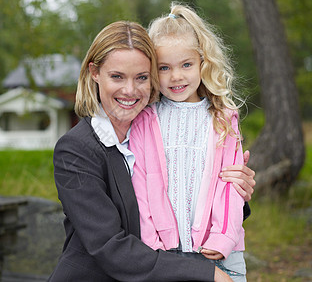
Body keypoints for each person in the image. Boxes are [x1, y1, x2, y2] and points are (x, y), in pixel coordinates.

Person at [49, 20, 255, 282]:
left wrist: (237, 194)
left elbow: (190, 189)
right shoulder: (77, 149)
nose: (130, 90)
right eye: (117, 76)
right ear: (94, 72)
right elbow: (109, 246)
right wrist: (206, 272)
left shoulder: (155, 130)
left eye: (141, 78)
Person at [129, 3, 249, 281]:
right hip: (165, 254)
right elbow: (140, 187)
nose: (176, 76)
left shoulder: (223, 118)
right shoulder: (146, 120)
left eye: (186, 64)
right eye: (164, 68)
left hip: (221, 251)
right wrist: (151, 245)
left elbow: (231, 186)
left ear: (202, 63)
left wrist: (224, 238)